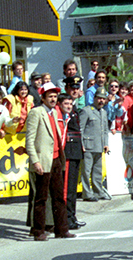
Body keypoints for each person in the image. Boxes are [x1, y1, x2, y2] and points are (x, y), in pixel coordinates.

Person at [25, 82, 75, 241]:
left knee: (59, 197)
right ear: (43, 98)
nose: (53, 99)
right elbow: (29, 140)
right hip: (43, 160)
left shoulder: (54, 113)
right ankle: (38, 230)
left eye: (55, 96)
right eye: (50, 96)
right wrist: (35, 162)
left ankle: (61, 229)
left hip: (56, 160)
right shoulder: (36, 113)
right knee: (41, 198)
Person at [56, 93, 85, 230]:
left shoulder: (73, 113)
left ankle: (72, 216)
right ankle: (66, 219)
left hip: (75, 151)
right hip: (68, 152)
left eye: (70, 103)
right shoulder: (60, 116)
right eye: (65, 104)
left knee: (72, 189)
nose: (69, 106)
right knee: (67, 189)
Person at [79, 87, 111, 202]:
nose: (101, 101)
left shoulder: (103, 112)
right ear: (94, 98)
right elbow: (81, 129)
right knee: (86, 171)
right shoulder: (87, 110)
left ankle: (98, 192)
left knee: (98, 171)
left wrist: (106, 144)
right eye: (99, 98)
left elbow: (105, 130)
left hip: (99, 145)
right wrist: (81, 144)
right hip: (88, 146)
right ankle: (87, 193)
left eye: (103, 99)